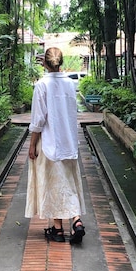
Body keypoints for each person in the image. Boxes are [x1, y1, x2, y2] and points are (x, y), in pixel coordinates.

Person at [25, 47, 86, 244]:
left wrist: (32, 145)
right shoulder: (70, 84)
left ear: (45, 63)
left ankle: (58, 230)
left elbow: (38, 120)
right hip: (68, 142)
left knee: (53, 186)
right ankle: (75, 221)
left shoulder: (42, 85)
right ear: (61, 62)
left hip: (49, 143)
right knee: (68, 184)